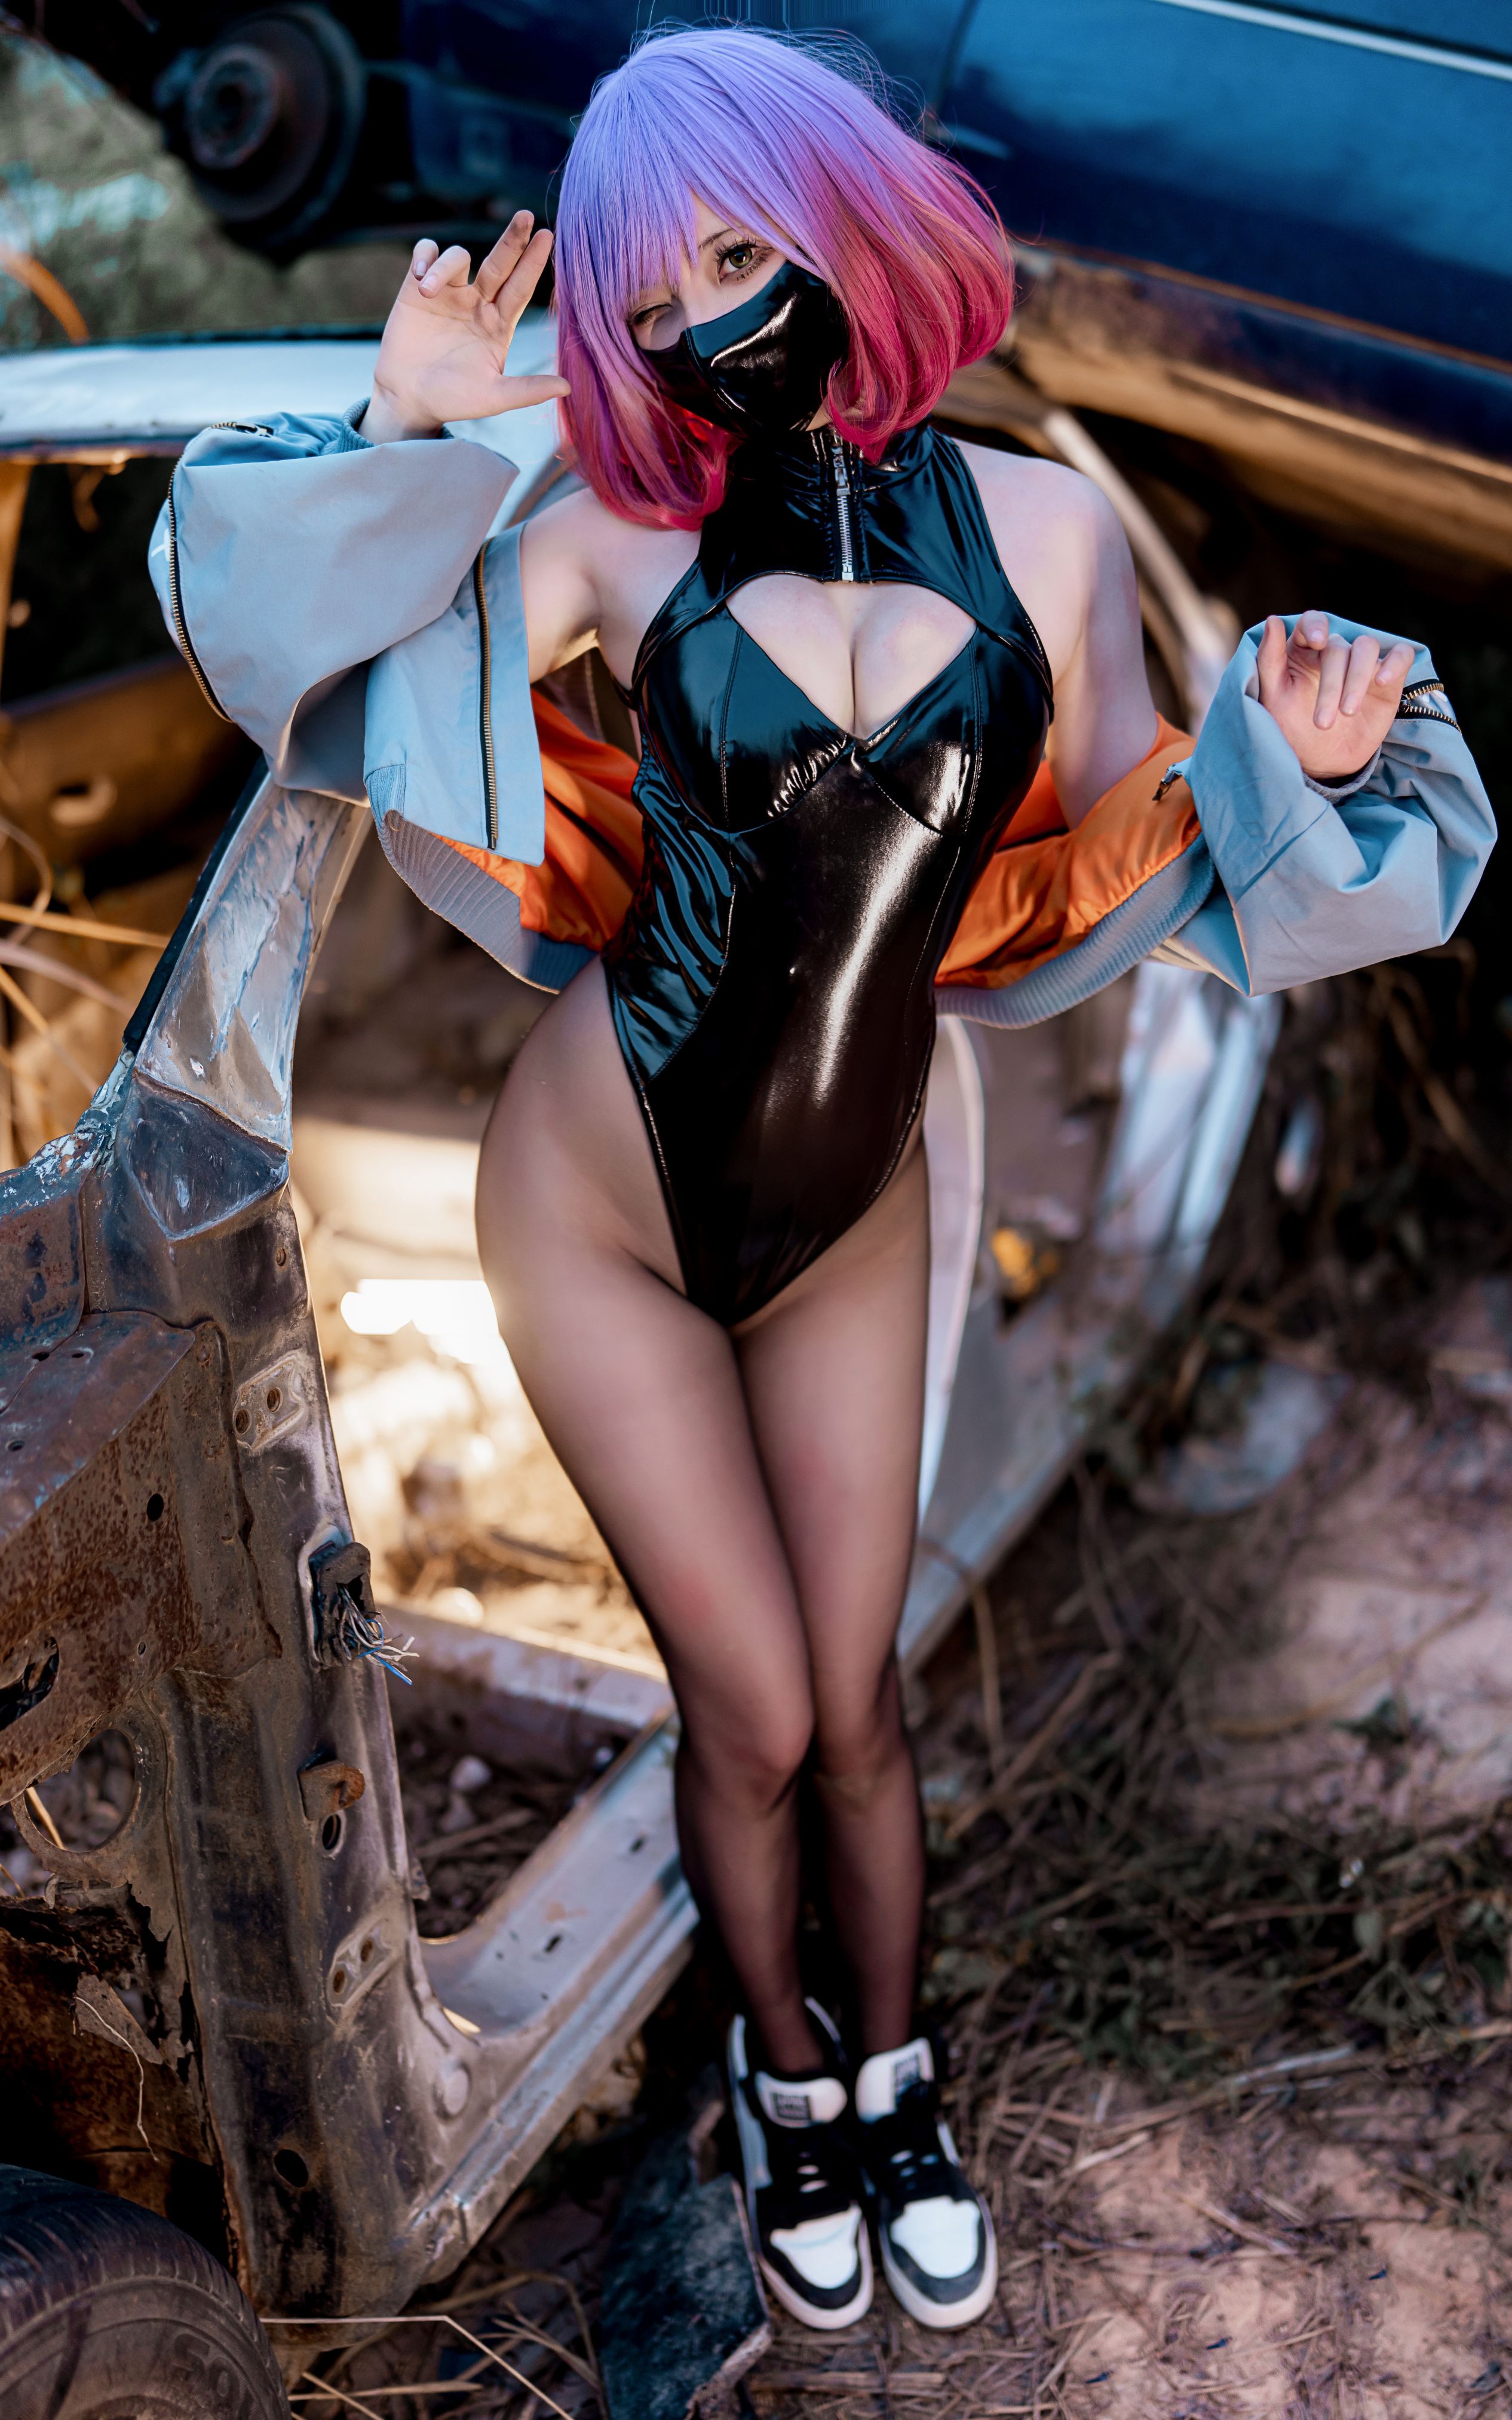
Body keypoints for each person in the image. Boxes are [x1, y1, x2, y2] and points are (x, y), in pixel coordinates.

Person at [151, 25, 1492, 2335]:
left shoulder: (1050, 534)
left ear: (846, 219)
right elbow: (311, 662)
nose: (701, 323)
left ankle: (895, 2083)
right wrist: (402, 429)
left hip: (856, 1194)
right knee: (754, 1712)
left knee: (859, 1705)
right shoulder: (610, 531)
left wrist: (1287, 759)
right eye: (651, 300)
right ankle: (783, 2075)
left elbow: (1121, 836)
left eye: (736, 254)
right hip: (597, 1203)